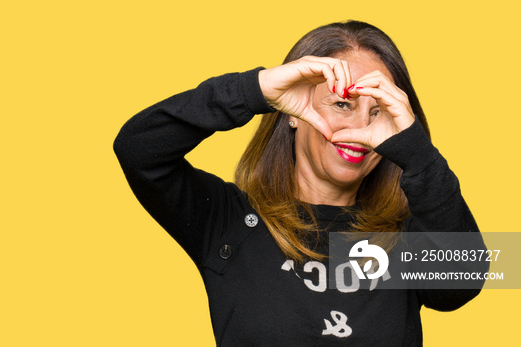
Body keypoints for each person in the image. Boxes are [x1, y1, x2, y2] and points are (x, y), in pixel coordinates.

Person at [113, 20, 481, 346]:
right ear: (293, 111)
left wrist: (417, 152)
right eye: (342, 105)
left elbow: (466, 281)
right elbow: (137, 149)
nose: (359, 132)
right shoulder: (226, 222)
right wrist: (252, 91)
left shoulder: (410, 233)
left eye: (378, 113)